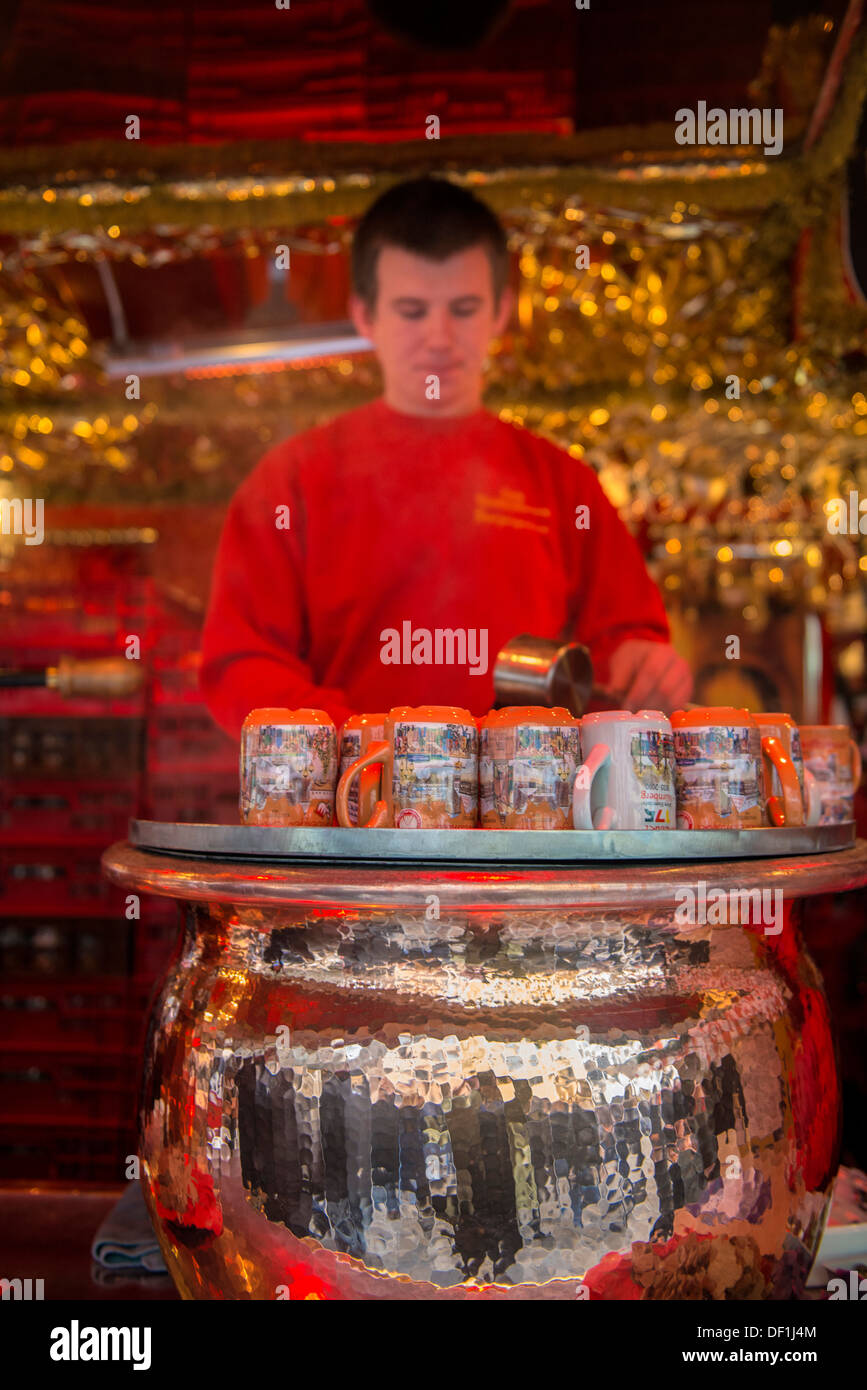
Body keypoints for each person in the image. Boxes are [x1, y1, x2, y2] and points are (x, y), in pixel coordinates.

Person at [200, 177, 692, 739]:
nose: (439, 337)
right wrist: (370, 747)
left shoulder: (563, 485)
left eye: (463, 309)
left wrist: (645, 666)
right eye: (412, 311)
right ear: (364, 316)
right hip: (350, 791)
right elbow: (241, 663)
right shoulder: (289, 483)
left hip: (529, 792)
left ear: (501, 311)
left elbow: (624, 646)